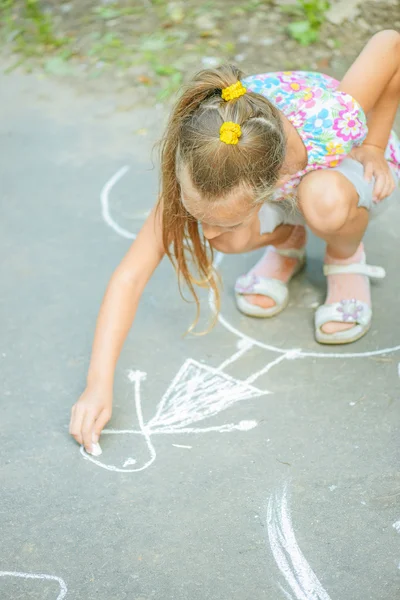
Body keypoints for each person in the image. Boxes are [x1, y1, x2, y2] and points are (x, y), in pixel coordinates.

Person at [70, 30, 400, 454]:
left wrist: (373, 143)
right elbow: (129, 277)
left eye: (216, 219)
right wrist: (97, 386)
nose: (204, 235)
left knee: (323, 199)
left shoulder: (329, 120)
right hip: (282, 182)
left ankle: (344, 256)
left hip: (347, 169)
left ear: (270, 184)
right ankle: (289, 241)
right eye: (197, 214)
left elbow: (389, 43)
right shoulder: (204, 156)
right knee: (232, 237)